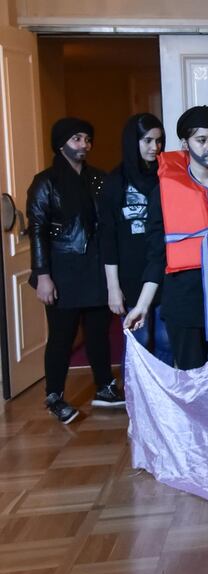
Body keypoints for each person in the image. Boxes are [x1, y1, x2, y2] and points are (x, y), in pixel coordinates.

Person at [124, 106, 208, 369]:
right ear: (184, 144)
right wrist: (142, 305)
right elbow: (157, 254)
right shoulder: (164, 192)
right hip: (183, 300)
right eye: (201, 140)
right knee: (191, 380)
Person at [27, 117, 121, 424]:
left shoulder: (99, 178)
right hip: (61, 271)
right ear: (62, 143)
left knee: (98, 333)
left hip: (94, 268)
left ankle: (104, 387)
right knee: (61, 337)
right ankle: (54, 396)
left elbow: (108, 225)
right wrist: (43, 275)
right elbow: (38, 230)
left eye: (87, 139)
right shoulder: (45, 182)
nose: (84, 144)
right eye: (77, 139)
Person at [99, 113, 172, 365]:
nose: (155, 147)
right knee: (139, 340)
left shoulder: (168, 177)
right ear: (133, 141)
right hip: (130, 275)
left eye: (159, 141)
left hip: (165, 270)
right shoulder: (114, 182)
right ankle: (137, 402)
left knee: (166, 341)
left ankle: (163, 403)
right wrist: (113, 288)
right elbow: (107, 237)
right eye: (148, 141)